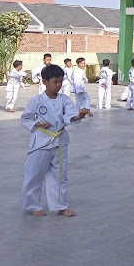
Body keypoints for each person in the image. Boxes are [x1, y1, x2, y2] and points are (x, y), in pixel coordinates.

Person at [20, 64, 91, 217]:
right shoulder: (37, 100)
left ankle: (60, 205)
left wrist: (80, 115)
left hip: (59, 141)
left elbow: (70, 116)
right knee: (34, 174)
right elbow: (25, 118)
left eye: (60, 82)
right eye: (55, 82)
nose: (58, 85)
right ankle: (33, 205)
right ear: (45, 82)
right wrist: (36, 124)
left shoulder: (64, 100)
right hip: (41, 141)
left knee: (60, 175)